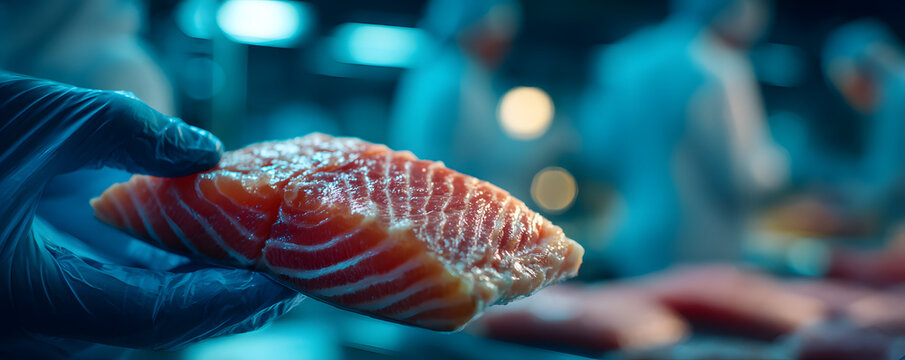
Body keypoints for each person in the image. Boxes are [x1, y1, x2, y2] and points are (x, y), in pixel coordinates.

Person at [579, 0, 788, 277]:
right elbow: (740, 177)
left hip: (634, 236)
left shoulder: (625, 60)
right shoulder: (717, 66)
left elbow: (598, 152)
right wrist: (781, 165)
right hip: (702, 245)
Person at [389, 0, 530, 191]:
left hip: (429, 190)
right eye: (499, 40)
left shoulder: (438, 71)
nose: (504, 50)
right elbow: (480, 153)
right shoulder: (455, 80)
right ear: (475, 31)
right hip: (438, 194)